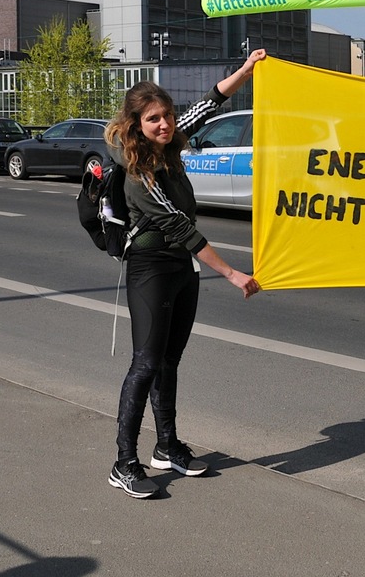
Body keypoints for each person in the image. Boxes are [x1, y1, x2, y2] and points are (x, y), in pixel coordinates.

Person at [103, 50, 266, 499]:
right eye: (154, 118)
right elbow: (179, 225)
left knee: (169, 362)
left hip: (182, 269)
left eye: (168, 116)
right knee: (145, 363)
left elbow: (209, 102)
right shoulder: (137, 170)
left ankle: (167, 445)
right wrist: (232, 273)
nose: (165, 124)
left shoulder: (171, 144)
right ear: (137, 123)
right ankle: (123, 462)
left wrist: (246, 71)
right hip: (150, 268)